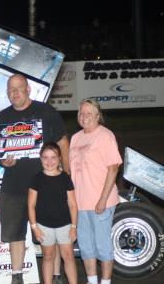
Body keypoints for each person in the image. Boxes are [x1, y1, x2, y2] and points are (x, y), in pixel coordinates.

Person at [0, 74, 69, 284]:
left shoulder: (45, 111)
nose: (15, 93)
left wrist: (67, 176)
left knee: (49, 234)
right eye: (11, 89)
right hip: (13, 187)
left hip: (46, 186)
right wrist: (3, 161)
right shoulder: (2, 117)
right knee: (15, 234)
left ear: (28, 90)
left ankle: (55, 277)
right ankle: (16, 277)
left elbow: (63, 142)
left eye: (19, 88)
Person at [69, 99, 122, 284]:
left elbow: (113, 168)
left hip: (102, 202)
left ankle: (105, 282)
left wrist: (102, 199)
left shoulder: (105, 136)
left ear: (97, 116)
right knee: (86, 247)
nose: (85, 117)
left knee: (102, 247)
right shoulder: (75, 138)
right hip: (80, 203)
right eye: (81, 113)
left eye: (89, 113)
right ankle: (92, 282)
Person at [27, 142, 78, 284]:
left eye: (53, 157)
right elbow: (31, 205)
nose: (49, 161)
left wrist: (74, 227)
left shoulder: (65, 178)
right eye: (45, 157)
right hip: (44, 226)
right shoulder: (36, 179)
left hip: (65, 225)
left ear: (59, 158)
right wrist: (34, 227)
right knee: (48, 256)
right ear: (40, 158)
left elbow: (73, 205)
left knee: (68, 256)